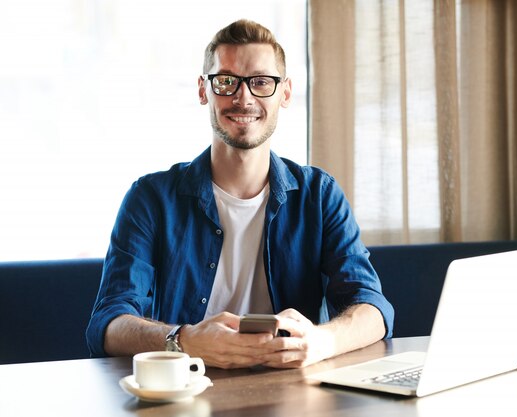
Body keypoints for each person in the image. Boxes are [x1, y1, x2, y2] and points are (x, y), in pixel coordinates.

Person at [86, 19, 394, 369]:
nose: (243, 97)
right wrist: (184, 341)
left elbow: (373, 308)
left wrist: (321, 342)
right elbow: (108, 323)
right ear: (204, 91)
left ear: (286, 93)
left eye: (261, 82)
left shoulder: (320, 196)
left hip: (291, 391)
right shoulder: (150, 198)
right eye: (226, 81)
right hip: (183, 390)